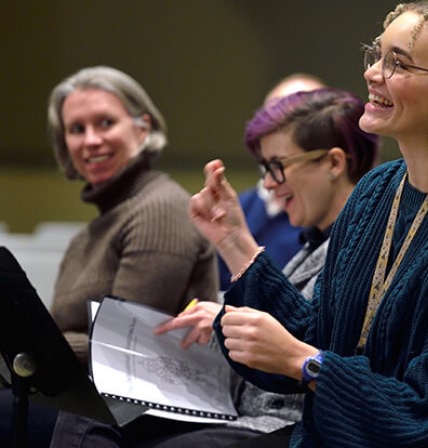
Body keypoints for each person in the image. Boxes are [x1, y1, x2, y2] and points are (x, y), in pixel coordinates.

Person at [189, 2, 428, 446]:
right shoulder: (377, 190)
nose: (372, 73)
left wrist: (306, 362)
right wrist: (233, 241)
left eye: (396, 63)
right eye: (376, 55)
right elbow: (319, 335)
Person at [49, 88, 380, 448]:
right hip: (239, 404)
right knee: (89, 417)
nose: (268, 184)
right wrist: (226, 312)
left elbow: (316, 344)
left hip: (290, 422)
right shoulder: (313, 244)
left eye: (276, 166)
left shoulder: (366, 249)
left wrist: (229, 313)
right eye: (264, 168)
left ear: (333, 163)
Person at [0, 66, 219, 448]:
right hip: (88, 396)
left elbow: (122, 345)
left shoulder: (159, 209)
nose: (91, 140)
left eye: (105, 122)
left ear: (142, 128)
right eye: (76, 129)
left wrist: (40, 348)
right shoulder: (88, 235)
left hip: (147, 406)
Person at [217, 73, 327, 291]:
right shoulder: (238, 208)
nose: (280, 130)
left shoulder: (332, 219)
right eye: (273, 117)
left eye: (298, 119)